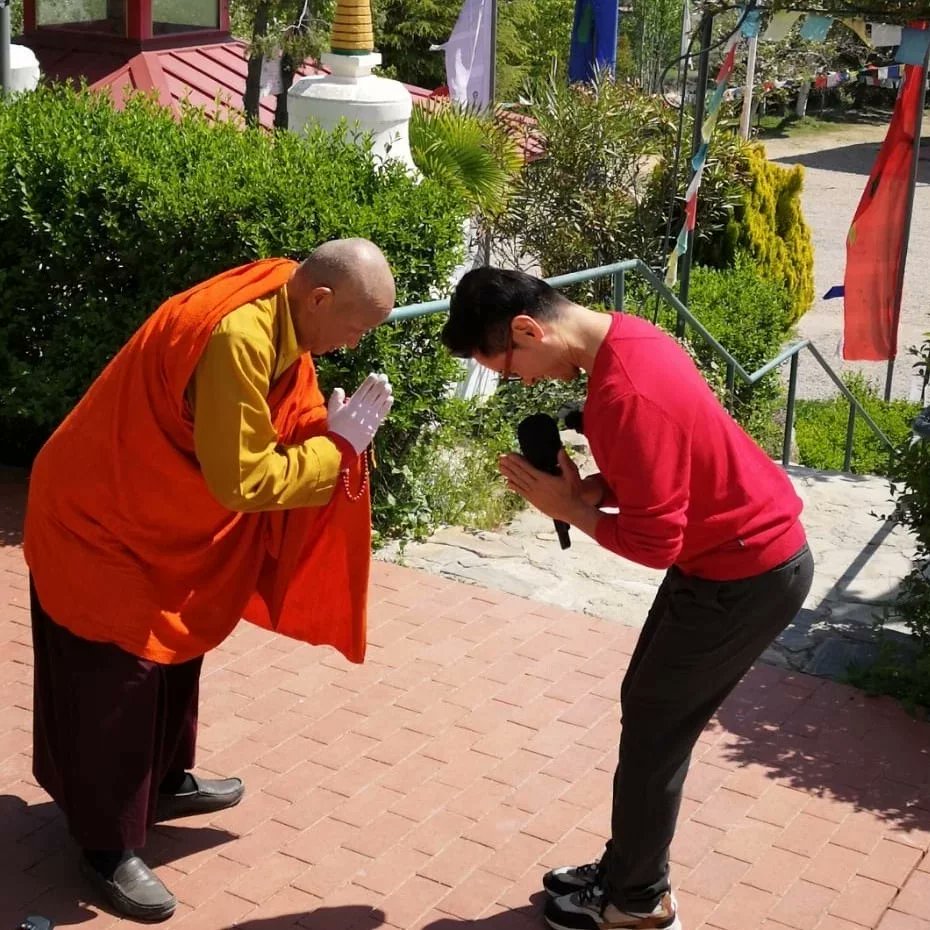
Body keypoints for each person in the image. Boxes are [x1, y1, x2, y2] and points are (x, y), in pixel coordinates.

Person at [24, 238, 396, 921]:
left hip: (158, 516)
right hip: (101, 520)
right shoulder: (240, 338)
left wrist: (319, 424)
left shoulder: (287, 300)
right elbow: (244, 478)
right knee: (123, 674)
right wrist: (334, 448)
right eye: (357, 326)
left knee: (179, 651)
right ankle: (105, 847)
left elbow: (270, 421)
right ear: (318, 299)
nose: (354, 342)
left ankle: (162, 783)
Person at [441, 267, 813, 930]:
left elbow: (655, 542)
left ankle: (639, 902)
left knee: (654, 732)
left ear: (527, 329)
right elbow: (664, 463)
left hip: (744, 572)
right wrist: (592, 490)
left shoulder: (622, 394)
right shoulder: (630, 340)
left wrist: (567, 509)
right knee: (647, 712)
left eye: (510, 366)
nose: (521, 381)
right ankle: (627, 870)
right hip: (730, 563)